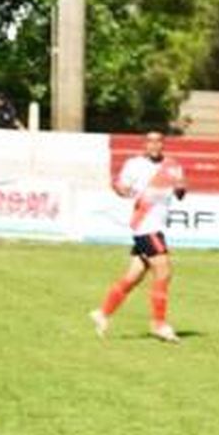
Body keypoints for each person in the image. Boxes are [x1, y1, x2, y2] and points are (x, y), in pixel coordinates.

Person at [89, 131, 186, 344]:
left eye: (158, 141)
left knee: (133, 277)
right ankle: (159, 324)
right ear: (145, 144)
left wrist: (180, 188)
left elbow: (180, 192)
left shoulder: (173, 165)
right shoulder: (134, 164)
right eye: (150, 141)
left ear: (163, 144)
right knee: (164, 271)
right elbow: (119, 185)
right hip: (145, 225)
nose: (154, 145)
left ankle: (102, 313)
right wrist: (121, 190)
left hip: (157, 225)